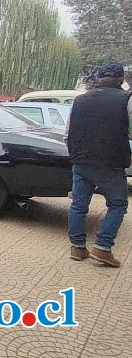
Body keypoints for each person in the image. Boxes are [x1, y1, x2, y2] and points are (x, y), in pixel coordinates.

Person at [67, 62, 131, 268]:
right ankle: (102, 247)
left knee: (78, 204)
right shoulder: (126, 100)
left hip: (81, 161)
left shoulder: (79, 100)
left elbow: (68, 133)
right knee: (118, 204)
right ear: (122, 79)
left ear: (98, 78)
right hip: (110, 163)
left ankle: (77, 247)